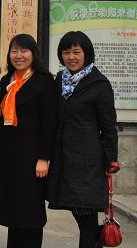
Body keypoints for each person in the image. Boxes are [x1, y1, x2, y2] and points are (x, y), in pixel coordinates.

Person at [47, 31, 120, 248]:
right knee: (82, 217)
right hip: (64, 159)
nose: (71, 57)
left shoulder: (99, 84)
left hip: (87, 162)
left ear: (86, 54)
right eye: (66, 52)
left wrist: (111, 159)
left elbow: (109, 126)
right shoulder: (60, 80)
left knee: (86, 217)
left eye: (76, 52)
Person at [0, 33, 58, 248]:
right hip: (9, 155)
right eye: (14, 51)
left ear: (33, 54)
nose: (18, 56)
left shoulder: (44, 81)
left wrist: (44, 158)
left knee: (30, 212)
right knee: (13, 211)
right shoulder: (7, 81)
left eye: (24, 51)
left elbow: (49, 122)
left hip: (32, 156)